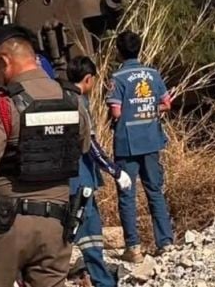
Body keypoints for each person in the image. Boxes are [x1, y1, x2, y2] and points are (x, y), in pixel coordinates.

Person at [0, 24, 90, 287]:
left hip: (7, 223)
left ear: (4, 61)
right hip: (57, 225)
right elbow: (83, 146)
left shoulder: (5, 103)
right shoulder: (72, 98)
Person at [106, 31, 174, 262]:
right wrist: (151, 110)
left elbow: (116, 111)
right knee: (155, 191)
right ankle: (165, 242)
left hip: (127, 144)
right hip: (151, 140)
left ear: (119, 51)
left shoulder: (118, 77)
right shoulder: (153, 74)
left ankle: (133, 247)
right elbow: (166, 103)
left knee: (127, 194)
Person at [67, 56, 132, 287]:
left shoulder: (59, 96)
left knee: (68, 230)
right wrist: (115, 171)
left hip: (62, 179)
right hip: (80, 179)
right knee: (89, 230)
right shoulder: (79, 102)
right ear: (88, 79)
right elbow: (91, 145)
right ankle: (103, 281)